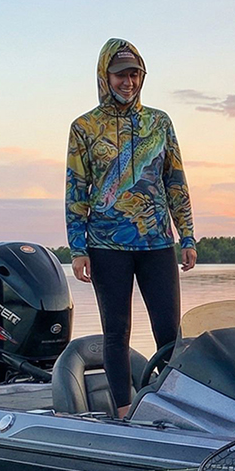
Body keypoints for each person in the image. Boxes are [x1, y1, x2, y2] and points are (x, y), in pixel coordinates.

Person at [66, 38, 196, 417]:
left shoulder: (160, 122)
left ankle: (177, 405)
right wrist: (77, 248)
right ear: (105, 76)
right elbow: (76, 190)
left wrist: (186, 235)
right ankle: (122, 411)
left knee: (170, 334)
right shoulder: (84, 128)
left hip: (157, 243)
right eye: (121, 74)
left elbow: (176, 181)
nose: (129, 82)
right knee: (116, 333)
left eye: (135, 74)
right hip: (106, 247)